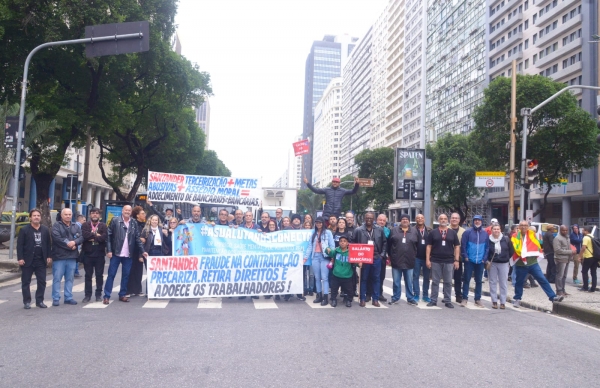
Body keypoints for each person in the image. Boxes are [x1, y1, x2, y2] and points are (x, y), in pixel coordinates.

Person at [511, 220, 564, 307]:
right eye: (521, 225)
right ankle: (517, 299)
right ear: (519, 227)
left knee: (542, 279)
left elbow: (537, 245)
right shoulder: (515, 236)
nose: (523, 227)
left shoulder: (532, 234)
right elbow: (516, 247)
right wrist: (523, 253)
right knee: (519, 282)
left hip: (533, 263)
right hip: (521, 264)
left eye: (525, 225)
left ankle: (553, 297)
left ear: (528, 226)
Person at [104, 205, 147, 304]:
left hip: (128, 254)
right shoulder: (115, 220)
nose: (127, 211)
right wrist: (109, 250)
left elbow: (137, 238)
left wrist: (142, 251)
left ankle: (122, 294)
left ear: (131, 212)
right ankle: (106, 296)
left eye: (129, 210)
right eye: (126, 210)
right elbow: (109, 236)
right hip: (116, 253)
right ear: (122, 211)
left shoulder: (133, 222)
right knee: (111, 275)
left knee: (126, 275)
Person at [17, 208, 52, 309]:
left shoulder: (45, 230)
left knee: (42, 281)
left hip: (41, 260)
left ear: (40, 218)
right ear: (30, 218)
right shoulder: (24, 230)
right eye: (34, 216)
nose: (36, 217)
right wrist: (20, 258)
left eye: (38, 216)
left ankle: (39, 301)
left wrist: (49, 256)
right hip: (27, 260)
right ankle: (27, 301)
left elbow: (48, 244)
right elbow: (20, 245)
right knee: (26, 282)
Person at [426, 214, 460, 308]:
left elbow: (457, 246)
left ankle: (448, 300)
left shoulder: (452, 233)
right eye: (441, 219)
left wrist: (456, 260)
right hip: (435, 260)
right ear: (438, 220)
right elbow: (429, 246)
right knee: (435, 281)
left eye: (445, 219)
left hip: (449, 260)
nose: (443, 220)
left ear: (447, 220)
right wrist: (428, 260)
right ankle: (433, 300)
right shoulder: (433, 232)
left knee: (448, 282)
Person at [353, 212, 387, 307]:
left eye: (371, 218)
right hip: (364, 258)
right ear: (364, 218)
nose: (369, 219)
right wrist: (357, 259)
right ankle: (362, 299)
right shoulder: (359, 230)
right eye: (367, 218)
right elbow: (353, 243)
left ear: (374, 219)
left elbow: (384, 243)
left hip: (376, 257)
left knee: (376, 278)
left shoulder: (379, 230)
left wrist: (382, 255)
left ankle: (375, 299)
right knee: (364, 278)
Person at [51, 208, 84, 306]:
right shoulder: (56, 226)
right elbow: (57, 238)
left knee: (70, 278)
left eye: (69, 214)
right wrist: (69, 244)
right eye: (66, 214)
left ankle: (68, 297)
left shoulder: (76, 226)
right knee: (57, 278)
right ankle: (56, 298)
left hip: (72, 257)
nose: (68, 216)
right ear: (61, 215)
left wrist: (75, 242)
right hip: (59, 256)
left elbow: (81, 237)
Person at [388, 214, 418, 306]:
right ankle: (395, 297)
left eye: (406, 219)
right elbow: (389, 245)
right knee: (396, 282)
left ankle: (410, 298)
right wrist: (391, 256)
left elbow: (418, 246)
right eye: (403, 219)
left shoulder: (414, 231)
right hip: (396, 260)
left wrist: (414, 255)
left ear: (409, 221)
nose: (405, 220)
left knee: (409, 282)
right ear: (400, 220)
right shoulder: (393, 230)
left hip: (409, 261)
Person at [304, 216, 335, 306]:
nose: (318, 224)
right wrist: (305, 257)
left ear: (323, 223)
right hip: (315, 257)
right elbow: (310, 246)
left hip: (324, 256)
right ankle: (319, 295)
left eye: (320, 222)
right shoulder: (313, 233)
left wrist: (332, 256)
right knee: (317, 277)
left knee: (324, 277)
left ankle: (325, 297)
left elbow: (332, 245)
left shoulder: (328, 232)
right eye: (317, 222)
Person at [138, 215, 171, 296]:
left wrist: (166, 235)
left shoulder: (161, 230)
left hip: (160, 252)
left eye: (156, 220)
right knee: (150, 273)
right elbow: (141, 243)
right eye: (153, 220)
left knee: (160, 273)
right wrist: (140, 255)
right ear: (150, 221)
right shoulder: (145, 230)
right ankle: (149, 292)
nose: (154, 221)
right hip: (149, 252)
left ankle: (159, 291)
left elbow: (166, 242)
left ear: (158, 221)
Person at [460, 215, 489, 308]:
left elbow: (487, 248)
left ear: (481, 222)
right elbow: (463, 246)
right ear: (473, 221)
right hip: (469, 260)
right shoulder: (467, 232)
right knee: (466, 280)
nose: (477, 222)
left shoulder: (485, 234)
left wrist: (484, 259)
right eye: (475, 220)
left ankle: (477, 299)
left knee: (479, 281)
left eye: (479, 220)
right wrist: (465, 257)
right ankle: (464, 298)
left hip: (480, 261)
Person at [80, 208, 108, 303]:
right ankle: (87, 295)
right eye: (93, 213)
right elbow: (85, 235)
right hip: (88, 254)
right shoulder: (85, 225)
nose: (95, 215)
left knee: (99, 276)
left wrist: (93, 236)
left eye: (97, 213)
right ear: (90, 215)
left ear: (99, 215)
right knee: (88, 276)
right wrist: (97, 236)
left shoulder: (103, 225)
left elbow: (104, 237)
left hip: (99, 254)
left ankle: (98, 294)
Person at [486, 224, 514, 309]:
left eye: (498, 229)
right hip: (493, 263)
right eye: (494, 229)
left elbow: (511, 250)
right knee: (492, 282)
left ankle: (503, 302)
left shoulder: (506, 239)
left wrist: (506, 258)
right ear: (491, 230)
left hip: (504, 263)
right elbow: (486, 250)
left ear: (500, 230)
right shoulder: (488, 240)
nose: (496, 231)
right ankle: (494, 301)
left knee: (503, 283)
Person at [367, 214, 390, 303]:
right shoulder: (373, 229)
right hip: (371, 256)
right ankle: (368, 294)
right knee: (369, 276)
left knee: (381, 276)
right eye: (380, 220)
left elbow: (388, 244)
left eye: (384, 220)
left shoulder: (388, 231)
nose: (382, 222)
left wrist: (385, 255)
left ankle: (379, 293)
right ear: (376, 220)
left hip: (382, 257)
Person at [325, 235, 353, 307]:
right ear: (339, 243)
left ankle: (348, 300)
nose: (342, 243)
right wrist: (327, 249)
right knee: (334, 289)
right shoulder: (336, 251)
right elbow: (329, 252)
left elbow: (355, 262)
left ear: (347, 243)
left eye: (344, 241)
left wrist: (359, 264)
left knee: (349, 289)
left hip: (347, 274)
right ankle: (333, 299)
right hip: (336, 274)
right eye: (341, 241)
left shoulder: (351, 252)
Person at [283, 214, 306, 301]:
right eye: (295, 219)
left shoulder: (304, 231)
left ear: (300, 221)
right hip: (289, 257)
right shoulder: (287, 229)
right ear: (292, 221)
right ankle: (287, 294)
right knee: (289, 275)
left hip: (300, 257)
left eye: (298, 219)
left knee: (300, 276)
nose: (296, 220)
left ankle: (300, 294)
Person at [128, 206, 147, 297]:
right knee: (131, 270)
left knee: (139, 270)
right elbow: (130, 235)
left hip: (141, 250)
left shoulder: (144, 225)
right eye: (142, 214)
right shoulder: (132, 223)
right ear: (137, 215)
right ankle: (129, 290)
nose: (144, 215)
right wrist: (139, 239)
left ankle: (137, 290)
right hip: (132, 250)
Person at [413, 214, 432, 303]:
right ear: (415, 219)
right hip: (416, 257)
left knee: (426, 277)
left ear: (424, 219)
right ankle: (416, 294)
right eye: (418, 218)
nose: (420, 219)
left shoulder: (429, 230)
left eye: (421, 218)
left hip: (427, 258)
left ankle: (425, 295)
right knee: (415, 276)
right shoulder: (412, 230)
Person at [449, 213, 466, 303]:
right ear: (450, 219)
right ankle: (446, 294)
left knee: (458, 278)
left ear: (459, 220)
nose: (454, 219)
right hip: (447, 258)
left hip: (458, 258)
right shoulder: (446, 229)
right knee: (447, 278)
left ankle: (458, 295)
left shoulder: (463, 231)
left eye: (456, 218)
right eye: (453, 218)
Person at [553, 225, 574, 297]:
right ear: (560, 230)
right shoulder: (557, 238)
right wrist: (570, 252)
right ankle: (559, 291)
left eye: (566, 230)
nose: (565, 231)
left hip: (567, 259)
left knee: (564, 276)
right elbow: (557, 250)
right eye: (563, 230)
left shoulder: (567, 237)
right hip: (560, 259)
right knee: (560, 276)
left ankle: (563, 289)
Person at [579, 226, 598, 292]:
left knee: (584, 272)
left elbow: (583, 248)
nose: (582, 231)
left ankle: (585, 287)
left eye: (583, 230)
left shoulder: (586, 237)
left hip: (588, 257)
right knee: (593, 273)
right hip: (595, 257)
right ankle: (593, 288)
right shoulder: (593, 237)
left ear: (586, 231)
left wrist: (580, 256)